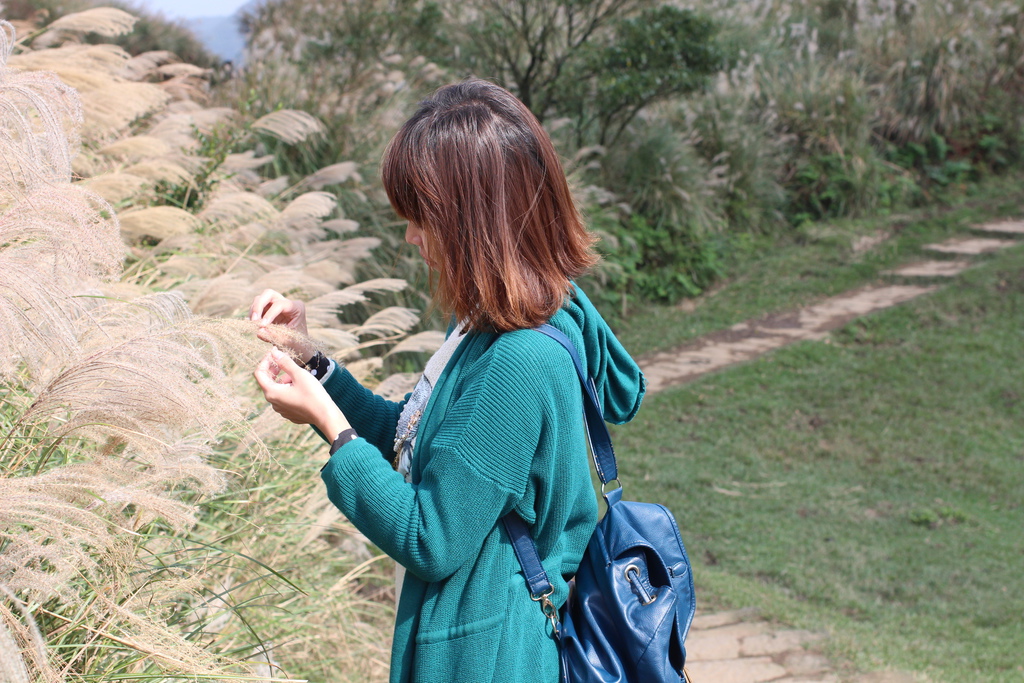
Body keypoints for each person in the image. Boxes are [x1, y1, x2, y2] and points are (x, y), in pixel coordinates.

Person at [250, 79, 645, 683]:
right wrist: (312, 361)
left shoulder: (518, 360)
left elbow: (430, 536)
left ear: (476, 219)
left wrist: (331, 428)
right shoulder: (489, 325)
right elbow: (414, 439)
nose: (410, 235)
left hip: (491, 660)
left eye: (422, 217)